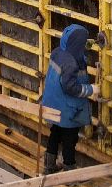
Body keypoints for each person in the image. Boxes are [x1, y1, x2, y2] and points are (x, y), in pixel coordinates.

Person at [40, 24, 96, 172]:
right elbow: (70, 87)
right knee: (69, 139)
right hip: (68, 109)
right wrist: (91, 90)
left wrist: (88, 45)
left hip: (54, 104)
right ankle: (69, 169)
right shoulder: (71, 63)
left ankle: (49, 165)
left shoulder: (58, 52)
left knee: (55, 134)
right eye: (83, 43)